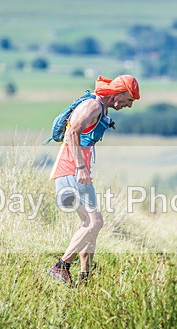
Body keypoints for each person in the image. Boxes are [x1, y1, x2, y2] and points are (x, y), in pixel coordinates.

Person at [47, 74, 140, 285]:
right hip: (72, 170)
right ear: (119, 93)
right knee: (95, 222)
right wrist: (80, 168)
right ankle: (60, 266)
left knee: (88, 223)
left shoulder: (101, 109)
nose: (129, 106)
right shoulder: (93, 105)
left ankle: (85, 275)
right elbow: (72, 133)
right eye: (129, 100)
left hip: (76, 172)